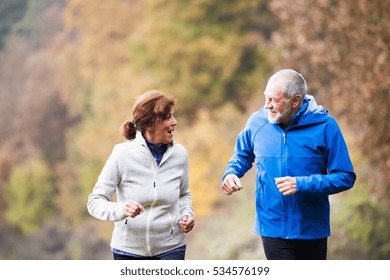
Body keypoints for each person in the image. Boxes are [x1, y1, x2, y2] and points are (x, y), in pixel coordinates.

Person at [221, 69, 356, 260]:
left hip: (311, 229)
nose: (267, 106)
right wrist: (231, 173)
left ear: (295, 101)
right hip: (272, 227)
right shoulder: (256, 122)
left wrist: (302, 184)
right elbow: (242, 155)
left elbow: (345, 176)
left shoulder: (326, 126)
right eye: (265, 98)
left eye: (274, 100)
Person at [87, 89, 195, 260]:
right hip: (128, 251)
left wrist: (187, 214)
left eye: (173, 115)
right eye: (168, 117)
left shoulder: (180, 154)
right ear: (150, 123)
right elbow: (95, 202)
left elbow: (183, 194)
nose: (175, 122)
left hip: (171, 248)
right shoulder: (121, 154)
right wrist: (121, 209)